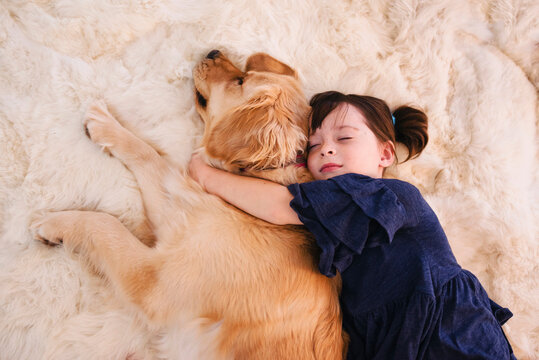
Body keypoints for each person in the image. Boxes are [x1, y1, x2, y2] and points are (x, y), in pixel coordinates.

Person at [189, 91, 516, 359]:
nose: (326, 148)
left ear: (385, 154)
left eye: (344, 137)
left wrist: (207, 176)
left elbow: (281, 205)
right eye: (313, 146)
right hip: (386, 338)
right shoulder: (335, 212)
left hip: (448, 330)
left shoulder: (391, 195)